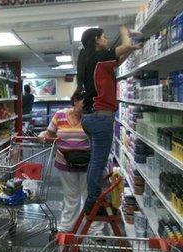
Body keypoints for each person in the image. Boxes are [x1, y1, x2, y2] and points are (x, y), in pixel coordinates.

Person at [77, 26, 142, 215]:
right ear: (97, 39)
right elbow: (125, 45)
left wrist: (132, 49)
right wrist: (123, 31)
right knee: (98, 161)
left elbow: (119, 59)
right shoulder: (100, 56)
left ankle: (93, 196)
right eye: (104, 36)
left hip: (90, 118)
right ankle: (93, 201)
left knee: (95, 161)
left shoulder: (92, 61)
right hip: (100, 118)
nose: (106, 39)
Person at [39, 91, 103, 234]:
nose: (87, 106)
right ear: (75, 101)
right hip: (65, 163)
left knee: (89, 196)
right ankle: (67, 226)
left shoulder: (91, 117)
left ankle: (94, 229)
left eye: (90, 104)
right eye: (84, 103)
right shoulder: (60, 115)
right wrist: (43, 135)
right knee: (71, 195)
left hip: (88, 164)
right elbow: (49, 133)